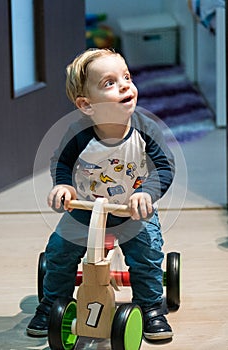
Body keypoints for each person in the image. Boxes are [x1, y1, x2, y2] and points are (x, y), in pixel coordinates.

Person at [27, 48, 175, 341]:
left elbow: (164, 167)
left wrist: (146, 193)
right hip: (85, 209)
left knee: (146, 252)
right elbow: (62, 162)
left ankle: (150, 307)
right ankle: (52, 304)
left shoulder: (145, 129)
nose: (124, 85)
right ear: (87, 105)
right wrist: (64, 186)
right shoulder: (78, 133)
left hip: (131, 210)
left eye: (127, 77)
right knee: (59, 252)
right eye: (109, 82)